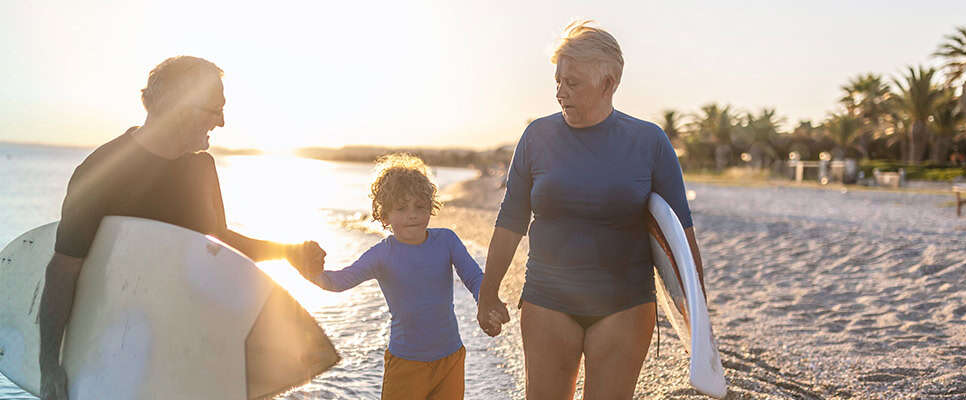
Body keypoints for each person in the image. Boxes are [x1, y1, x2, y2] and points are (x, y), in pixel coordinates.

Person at [36, 56, 328, 400]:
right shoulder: (102, 172)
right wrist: (49, 365)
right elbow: (64, 269)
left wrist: (287, 252)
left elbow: (218, 243)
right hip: (121, 349)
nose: (222, 121)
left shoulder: (201, 167)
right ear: (179, 106)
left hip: (186, 345)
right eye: (215, 109)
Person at [474, 20, 706, 400]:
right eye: (557, 81)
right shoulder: (537, 137)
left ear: (608, 84)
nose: (560, 93)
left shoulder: (649, 142)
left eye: (573, 83)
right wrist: (489, 292)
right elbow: (511, 220)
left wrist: (699, 322)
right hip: (548, 298)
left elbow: (681, 235)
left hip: (625, 304)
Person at [290, 154, 482, 400]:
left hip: (450, 359)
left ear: (430, 207)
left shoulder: (446, 241)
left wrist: (487, 303)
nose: (412, 215)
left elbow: (474, 277)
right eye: (401, 208)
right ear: (385, 215)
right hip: (406, 363)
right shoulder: (382, 255)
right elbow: (339, 281)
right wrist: (309, 272)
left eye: (420, 206)